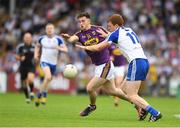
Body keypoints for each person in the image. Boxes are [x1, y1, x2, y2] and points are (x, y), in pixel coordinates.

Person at [76, 14, 162, 122]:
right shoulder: (128, 29)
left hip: (136, 62)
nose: (108, 28)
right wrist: (108, 34)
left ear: (116, 25)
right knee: (122, 89)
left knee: (131, 95)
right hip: (143, 61)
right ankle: (143, 108)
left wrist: (84, 47)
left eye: (110, 26)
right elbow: (120, 37)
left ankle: (155, 113)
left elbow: (99, 47)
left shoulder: (114, 34)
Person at [61, 12, 138, 117]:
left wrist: (113, 48)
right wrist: (68, 38)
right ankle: (136, 103)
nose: (81, 23)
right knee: (113, 91)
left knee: (89, 88)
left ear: (89, 21)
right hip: (98, 66)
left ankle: (92, 106)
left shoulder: (98, 29)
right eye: (79, 22)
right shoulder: (80, 35)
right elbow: (72, 39)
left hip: (106, 64)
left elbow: (113, 38)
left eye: (83, 21)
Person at [34, 23, 68, 107]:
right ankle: (39, 95)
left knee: (48, 80)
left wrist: (58, 48)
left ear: (54, 30)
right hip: (44, 61)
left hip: (54, 63)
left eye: (51, 28)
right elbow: (37, 47)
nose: (49, 30)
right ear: (45, 30)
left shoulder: (58, 39)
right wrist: (36, 55)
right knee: (48, 77)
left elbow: (66, 49)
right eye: (48, 28)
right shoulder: (41, 39)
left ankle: (43, 94)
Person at [15, 32, 35, 103]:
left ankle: (32, 92)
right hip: (23, 67)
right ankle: (27, 97)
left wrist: (37, 59)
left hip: (31, 66)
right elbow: (16, 56)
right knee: (24, 83)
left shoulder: (34, 47)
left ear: (31, 38)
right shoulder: (20, 47)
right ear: (24, 38)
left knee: (30, 79)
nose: (27, 39)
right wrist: (20, 58)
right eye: (26, 38)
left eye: (29, 37)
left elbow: (37, 56)